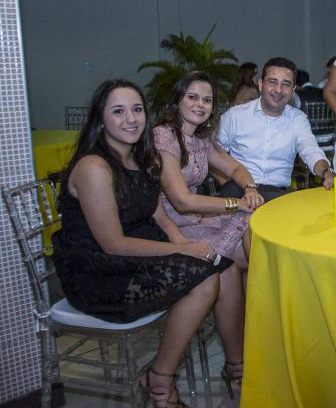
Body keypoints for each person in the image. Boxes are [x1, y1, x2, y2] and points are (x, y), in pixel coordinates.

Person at [52, 80, 224, 407]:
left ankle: (172, 371)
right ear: (101, 118)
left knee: (216, 267)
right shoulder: (94, 167)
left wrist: (186, 244)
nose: (131, 119)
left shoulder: (140, 157)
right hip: (98, 274)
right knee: (206, 281)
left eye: (137, 109)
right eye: (118, 111)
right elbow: (114, 244)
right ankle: (160, 378)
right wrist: (184, 250)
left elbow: (160, 217)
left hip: (134, 257)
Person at [154, 71, 265, 394]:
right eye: (192, 97)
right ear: (177, 100)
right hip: (169, 225)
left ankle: (247, 352)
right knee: (234, 262)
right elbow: (181, 200)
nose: (200, 105)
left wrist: (250, 187)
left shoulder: (200, 140)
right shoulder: (165, 136)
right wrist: (235, 203)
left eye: (207, 100)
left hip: (198, 218)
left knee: (252, 243)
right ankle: (240, 360)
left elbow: (235, 167)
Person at [218, 57, 334, 202]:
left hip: (276, 196)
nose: (278, 90)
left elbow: (311, 151)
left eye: (286, 84)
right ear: (260, 84)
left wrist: (326, 172)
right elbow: (214, 155)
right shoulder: (235, 116)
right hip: (237, 190)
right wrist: (226, 183)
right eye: (272, 82)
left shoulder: (297, 119)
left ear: (293, 90)